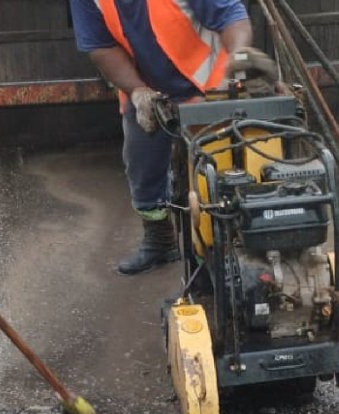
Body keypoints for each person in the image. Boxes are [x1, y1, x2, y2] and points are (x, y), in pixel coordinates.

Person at [70, 0, 275, 275]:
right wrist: (138, 92)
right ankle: (160, 241)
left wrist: (239, 56)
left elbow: (229, 14)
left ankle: (221, 250)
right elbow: (101, 47)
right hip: (147, 87)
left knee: (216, 176)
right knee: (142, 167)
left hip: (210, 85)